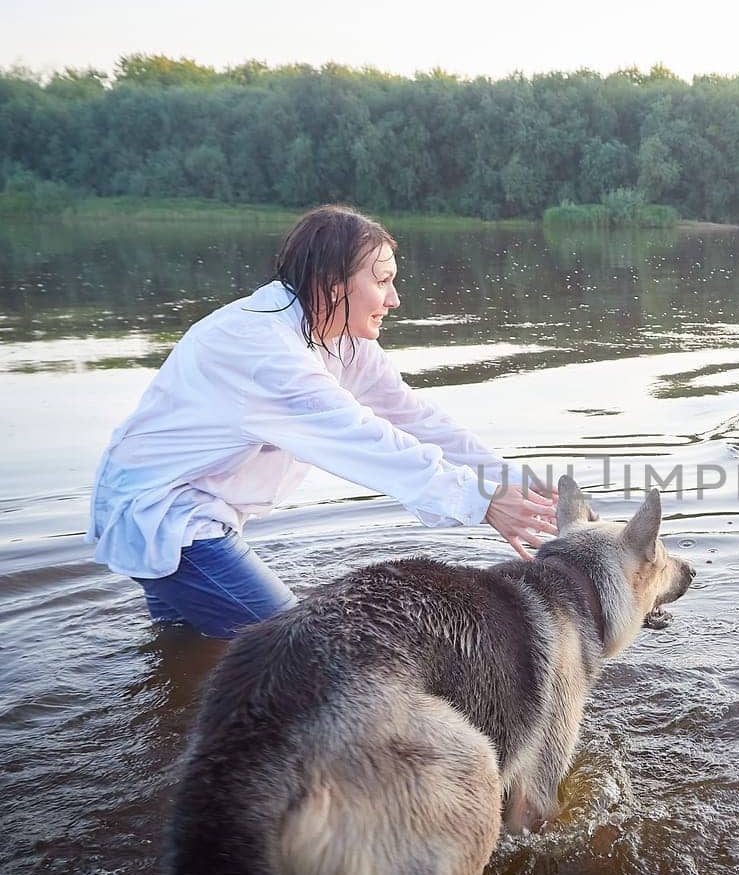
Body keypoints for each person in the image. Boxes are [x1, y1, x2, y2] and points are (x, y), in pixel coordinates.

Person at [87, 205, 556, 638]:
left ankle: (179, 721)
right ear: (333, 285)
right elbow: (362, 438)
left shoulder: (339, 338)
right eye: (383, 281)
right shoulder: (264, 350)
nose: (394, 299)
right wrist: (479, 499)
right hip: (167, 517)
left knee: (196, 653)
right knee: (302, 653)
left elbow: (414, 418)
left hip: (192, 508)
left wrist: (512, 482)